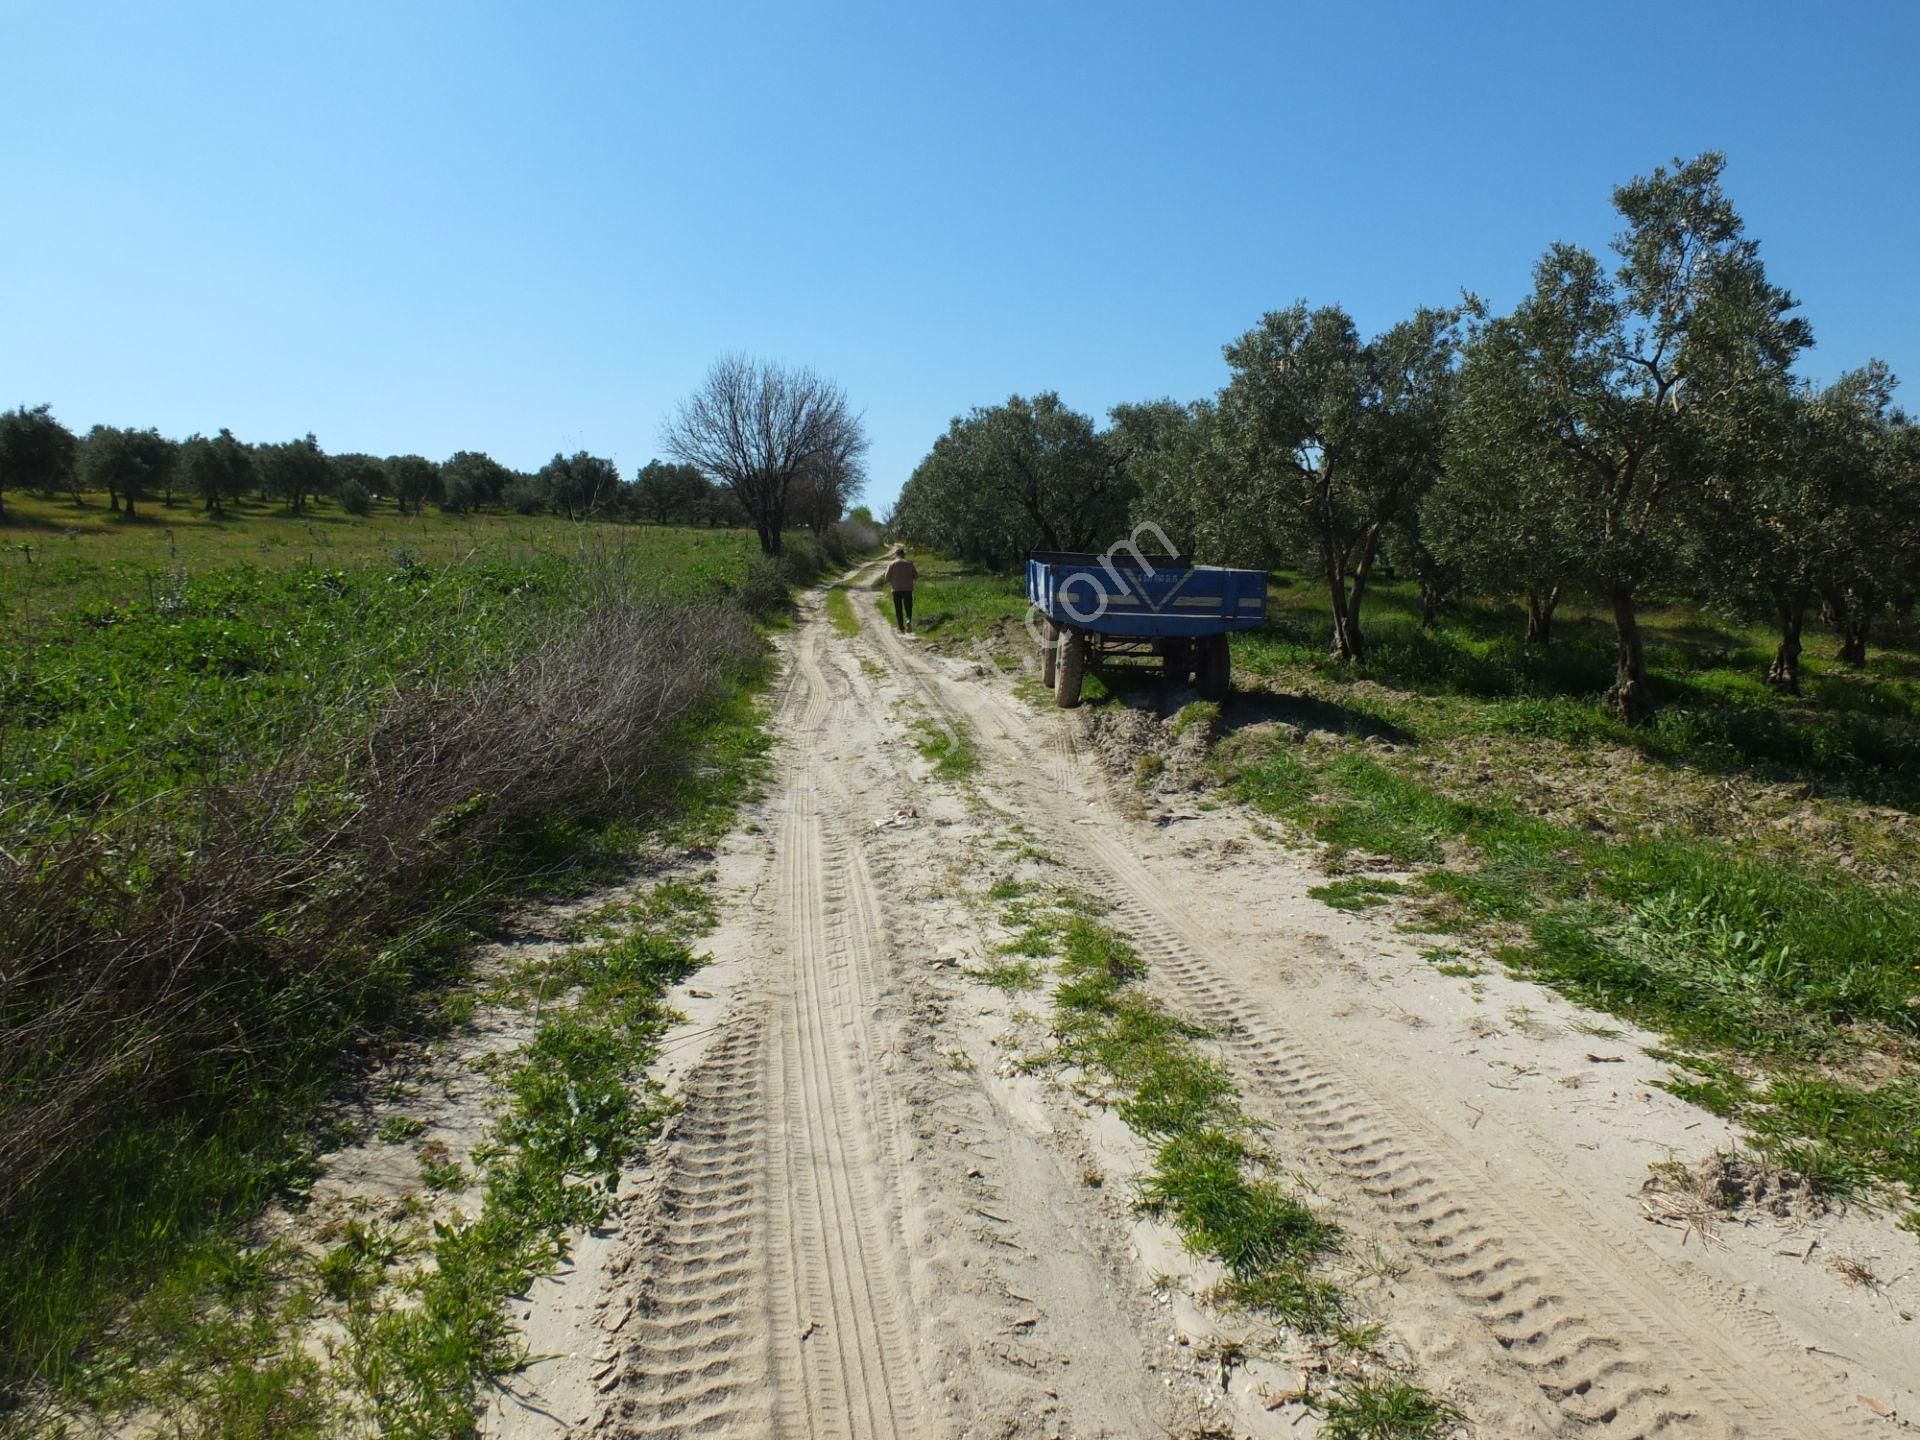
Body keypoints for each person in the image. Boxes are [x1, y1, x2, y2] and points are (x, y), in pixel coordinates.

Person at [885, 545, 918, 632]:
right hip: (908, 589)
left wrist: (893, 580)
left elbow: (887, 577)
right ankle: (908, 620)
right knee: (908, 607)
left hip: (896, 589)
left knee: (898, 608)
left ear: (896, 554)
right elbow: (916, 575)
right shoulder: (909, 563)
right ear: (904, 555)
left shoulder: (892, 564)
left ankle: (901, 627)